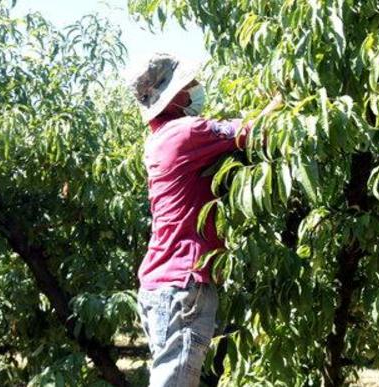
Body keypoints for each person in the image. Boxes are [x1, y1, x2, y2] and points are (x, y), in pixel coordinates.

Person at [129, 53, 281, 387]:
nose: (197, 89)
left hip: (161, 285)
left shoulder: (159, 139)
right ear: (176, 96)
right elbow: (258, 132)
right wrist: (281, 99)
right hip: (183, 283)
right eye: (190, 84)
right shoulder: (186, 132)